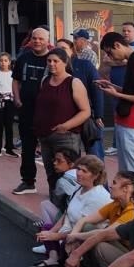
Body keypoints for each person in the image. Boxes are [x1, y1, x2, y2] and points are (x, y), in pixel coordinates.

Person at [28, 155, 114, 267]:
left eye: (84, 171)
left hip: (81, 237)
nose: (79, 173)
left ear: (95, 175)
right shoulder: (79, 188)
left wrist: (55, 236)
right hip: (69, 231)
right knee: (47, 228)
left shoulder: (98, 196)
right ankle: (53, 259)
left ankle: (66, 264)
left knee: (63, 242)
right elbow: (66, 214)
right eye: (78, 169)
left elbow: (83, 229)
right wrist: (51, 232)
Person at [33, 48, 91, 193]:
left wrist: (65, 126)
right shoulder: (45, 81)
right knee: (51, 174)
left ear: (65, 63)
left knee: (69, 176)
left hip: (66, 137)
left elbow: (86, 111)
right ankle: (55, 205)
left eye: (56, 61)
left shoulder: (74, 82)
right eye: (49, 61)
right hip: (45, 136)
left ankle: (70, 207)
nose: (51, 64)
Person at [96, 31, 134, 175]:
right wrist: (112, 86)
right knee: (126, 170)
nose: (110, 57)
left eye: (109, 53)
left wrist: (117, 94)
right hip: (124, 120)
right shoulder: (133, 61)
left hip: (133, 123)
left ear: (117, 45)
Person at [12, 28, 52, 195]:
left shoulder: (53, 59)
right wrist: (17, 99)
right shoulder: (24, 58)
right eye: (34, 38)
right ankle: (28, 182)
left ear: (47, 40)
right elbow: (15, 80)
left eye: (41, 39)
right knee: (27, 148)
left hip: (47, 114)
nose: (37, 41)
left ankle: (56, 186)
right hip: (26, 111)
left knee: (50, 150)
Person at [57, 38, 104, 157]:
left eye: (63, 49)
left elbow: (96, 89)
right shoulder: (54, 70)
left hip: (87, 116)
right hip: (66, 119)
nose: (60, 52)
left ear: (72, 50)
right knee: (69, 155)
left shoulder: (85, 65)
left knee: (94, 154)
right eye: (57, 49)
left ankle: (98, 175)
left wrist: (98, 115)